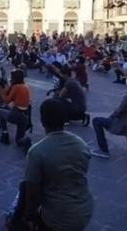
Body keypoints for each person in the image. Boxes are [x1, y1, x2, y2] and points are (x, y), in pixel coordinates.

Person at [22, 98, 94, 231]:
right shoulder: (81, 145)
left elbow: (33, 193)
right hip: (85, 209)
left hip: (57, 217)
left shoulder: (37, 152)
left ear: (43, 122)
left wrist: (28, 217)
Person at [0, 69, 32, 147]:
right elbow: (14, 96)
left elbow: (6, 100)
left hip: (16, 113)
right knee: (19, 140)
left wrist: (0, 90)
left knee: (0, 111)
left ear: (14, 78)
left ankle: (5, 132)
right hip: (25, 116)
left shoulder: (16, 86)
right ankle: (25, 142)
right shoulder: (25, 86)